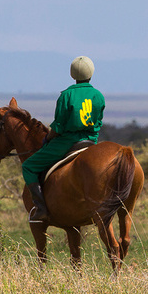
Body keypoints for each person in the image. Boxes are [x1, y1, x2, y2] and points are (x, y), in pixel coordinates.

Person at [19, 56, 106, 223]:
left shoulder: (66, 95)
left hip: (68, 142)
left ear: (73, 74)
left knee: (28, 166)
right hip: (91, 141)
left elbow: (58, 126)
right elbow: (99, 121)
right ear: (91, 73)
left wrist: (48, 138)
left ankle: (41, 208)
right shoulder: (98, 95)